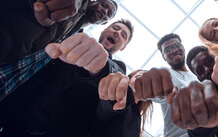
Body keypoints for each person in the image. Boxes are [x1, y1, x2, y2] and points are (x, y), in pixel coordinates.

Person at [0, 33, 138, 137]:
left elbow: (111, 100)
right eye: (115, 28)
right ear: (104, 29)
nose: (117, 33)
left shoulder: (117, 69)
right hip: (13, 113)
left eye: (123, 35)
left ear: (123, 47)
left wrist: (100, 68)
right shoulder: (73, 43)